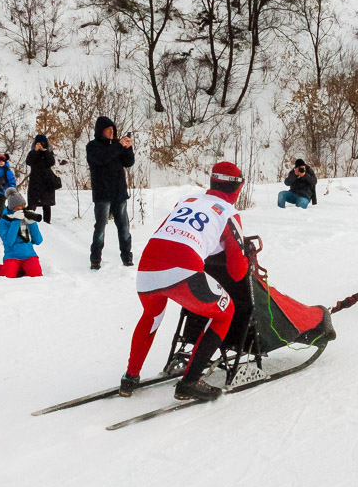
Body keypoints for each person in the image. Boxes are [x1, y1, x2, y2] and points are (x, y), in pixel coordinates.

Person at [122, 161, 249, 402]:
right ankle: (190, 382)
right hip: (182, 270)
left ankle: (130, 378)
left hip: (147, 267)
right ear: (236, 189)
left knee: (151, 317)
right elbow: (236, 272)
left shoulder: (186, 201)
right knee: (225, 312)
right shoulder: (230, 213)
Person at [85, 116, 134, 270]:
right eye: (109, 129)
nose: (112, 132)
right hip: (102, 194)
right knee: (100, 228)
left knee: (124, 227)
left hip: (119, 192)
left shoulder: (116, 146)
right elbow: (102, 159)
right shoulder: (92, 146)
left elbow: (128, 162)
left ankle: (127, 258)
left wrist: (128, 147)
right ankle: (95, 259)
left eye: (113, 129)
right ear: (101, 131)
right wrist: (119, 146)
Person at [0, 191, 44, 277]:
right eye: (18, 208)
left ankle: (21, 268)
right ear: (11, 208)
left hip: (29, 254)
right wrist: (16, 221)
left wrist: (32, 223)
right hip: (12, 255)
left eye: (23, 207)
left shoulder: (25, 218)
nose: (21, 210)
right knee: (9, 274)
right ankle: (1, 268)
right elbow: (9, 241)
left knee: (36, 273)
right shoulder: (3, 221)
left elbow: (38, 240)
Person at [24, 134, 60, 224]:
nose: (39, 145)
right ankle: (30, 220)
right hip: (35, 181)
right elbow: (28, 162)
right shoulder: (32, 152)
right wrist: (35, 151)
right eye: (38, 143)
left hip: (46, 181)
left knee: (46, 203)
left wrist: (45, 151)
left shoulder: (49, 152)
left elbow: (51, 163)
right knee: (32, 203)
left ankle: (47, 222)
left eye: (42, 143)